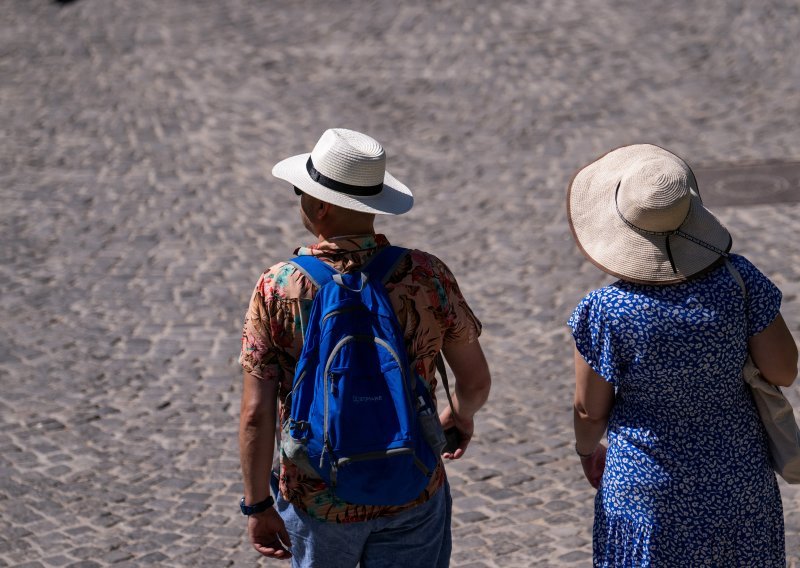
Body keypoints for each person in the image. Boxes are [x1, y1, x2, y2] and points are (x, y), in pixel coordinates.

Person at [238, 128, 491, 566]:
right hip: (411, 485)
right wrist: (460, 416)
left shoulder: (278, 286)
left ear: (320, 206)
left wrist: (258, 505)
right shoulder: (426, 275)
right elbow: (474, 381)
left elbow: (256, 414)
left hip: (318, 496)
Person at [566, 144, 798, 566]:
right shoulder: (739, 279)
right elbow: (783, 371)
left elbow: (589, 411)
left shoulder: (606, 310)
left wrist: (587, 452)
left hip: (646, 488)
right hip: (737, 481)